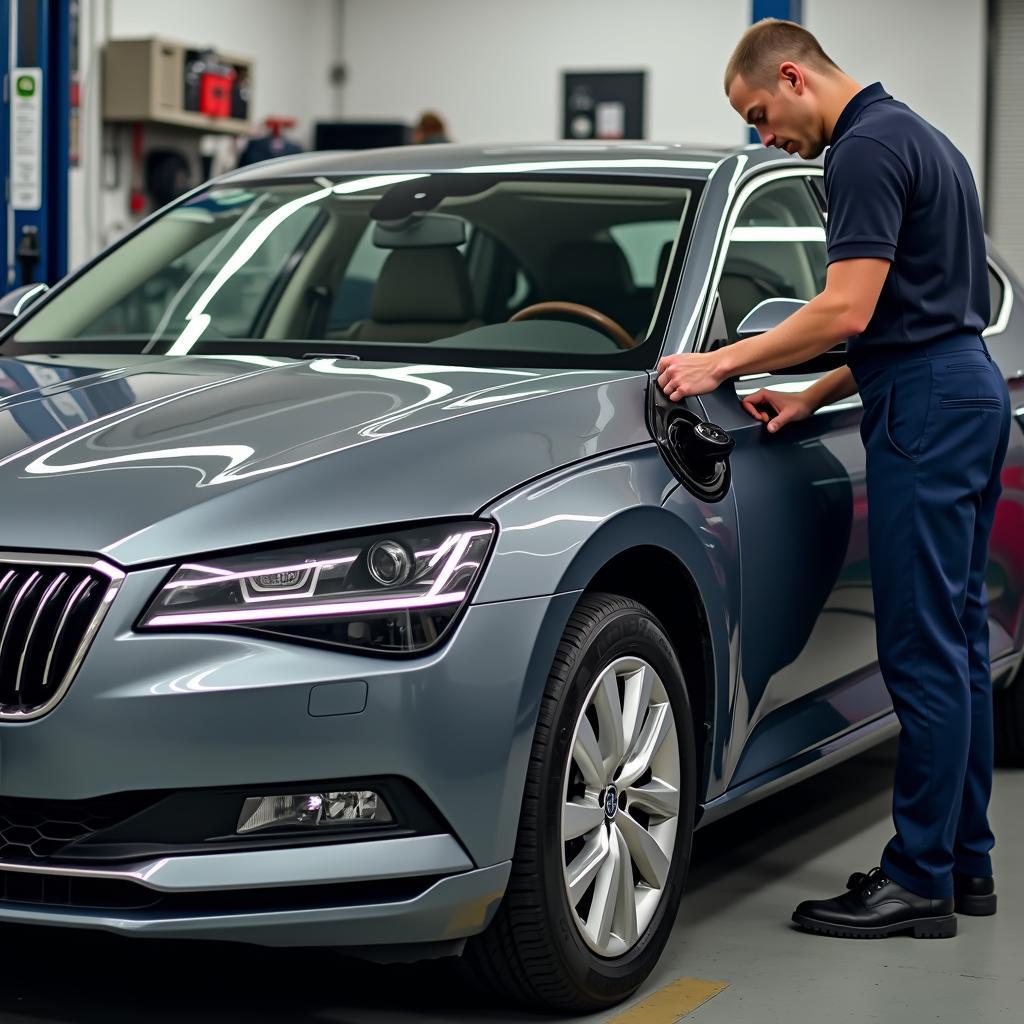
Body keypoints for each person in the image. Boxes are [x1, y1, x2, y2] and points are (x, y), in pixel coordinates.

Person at [657, 18, 1012, 939]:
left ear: (791, 76)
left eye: (761, 115)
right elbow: (908, 315)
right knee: (959, 645)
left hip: (926, 410)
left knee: (922, 650)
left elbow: (845, 305)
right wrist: (813, 394)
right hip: (959, 388)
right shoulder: (921, 136)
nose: (765, 135)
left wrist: (720, 366)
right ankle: (963, 863)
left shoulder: (860, 152)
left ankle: (917, 881)